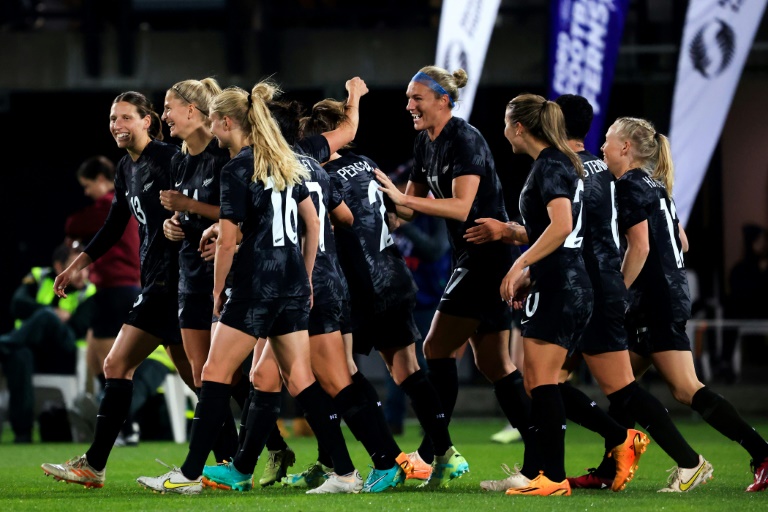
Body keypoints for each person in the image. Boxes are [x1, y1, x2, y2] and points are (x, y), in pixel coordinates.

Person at [134, 80, 343, 496]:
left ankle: (190, 475)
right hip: (290, 286)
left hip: (253, 288)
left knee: (213, 373)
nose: (210, 128)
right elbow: (314, 223)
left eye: (213, 120)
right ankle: (346, 471)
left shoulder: (236, 168)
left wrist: (216, 293)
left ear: (227, 122)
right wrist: (303, 276)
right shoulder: (284, 160)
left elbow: (228, 242)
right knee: (301, 380)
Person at [300, 96, 470, 489]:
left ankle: (386, 461)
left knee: (340, 372)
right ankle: (444, 452)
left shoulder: (324, 176)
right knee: (408, 370)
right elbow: (395, 216)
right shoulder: (371, 166)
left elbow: (328, 228)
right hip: (393, 273)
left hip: (356, 282)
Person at [374, 66, 531, 486]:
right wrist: (382, 199)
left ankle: (434, 452)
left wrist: (402, 199)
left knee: (436, 347)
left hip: (487, 256)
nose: (409, 105)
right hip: (470, 255)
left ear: (444, 100)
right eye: (408, 98)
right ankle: (539, 458)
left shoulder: (466, 139)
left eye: (417, 98)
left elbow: (461, 208)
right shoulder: (424, 144)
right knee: (495, 364)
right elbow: (409, 208)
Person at [595, 116, 768, 493]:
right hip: (663, 297)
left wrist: (617, 294)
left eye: (608, 140)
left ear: (625, 147)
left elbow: (640, 246)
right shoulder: (656, 186)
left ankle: (759, 454)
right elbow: (682, 243)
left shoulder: (627, 186)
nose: (602, 147)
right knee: (622, 388)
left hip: (655, 301)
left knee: (685, 389)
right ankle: (610, 469)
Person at [41, 90, 194, 488]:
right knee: (194, 377)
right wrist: (76, 266)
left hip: (178, 281)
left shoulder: (168, 158)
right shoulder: (127, 168)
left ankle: (94, 465)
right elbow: (112, 226)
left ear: (147, 121)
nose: (117, 125)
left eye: (126, 117)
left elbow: (199, 200)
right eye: (113, 118)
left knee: (128, 367)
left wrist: (184, 223)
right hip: (158, 281)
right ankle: (243, 455)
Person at [469, 92, 595, 497]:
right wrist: (531, 272)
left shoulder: (551, 164)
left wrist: (519, 264)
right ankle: (537, 472)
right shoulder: (555, 162)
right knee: (539, 382)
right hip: (557, 281)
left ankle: (552, 478)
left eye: (506, 122)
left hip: (563, 284)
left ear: (518, 127)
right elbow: (555, 230)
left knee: (542, 381)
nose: (503, 129)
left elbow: (562, 226)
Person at [158, 77, 248, 462]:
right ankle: (227, 463)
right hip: (190, 274)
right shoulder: (180, 159)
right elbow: (184, 210)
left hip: (225, 275)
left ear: (193, 111)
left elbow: (240, 213)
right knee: (201, 377)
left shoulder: (223, 153)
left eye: (168, 107)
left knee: (229, 375)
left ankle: (269, 444)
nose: (164, 116)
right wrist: (172, 223)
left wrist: (190, 207)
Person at [0, 243, 95, 443]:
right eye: (77, 267)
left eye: (85, 268)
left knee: (45, 317)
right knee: (20, 357)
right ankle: (23, 433)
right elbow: (17, 305)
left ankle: (4, 344)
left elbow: (79, 326)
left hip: (65, 352)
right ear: (60, 267)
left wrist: (46, 315)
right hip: (32, 350)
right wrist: (53, 312)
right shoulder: (39, 276)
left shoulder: (90, 292)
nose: (83, 274)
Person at [64, 155, 141, 396]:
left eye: (87, 186)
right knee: (94, 351)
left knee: (112, 364)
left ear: (100, 179)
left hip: (117, 289)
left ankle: (125, 422)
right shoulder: (124, 201)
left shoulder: (110, 203)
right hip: (121, 289)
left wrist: (77, 239)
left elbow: (73, 224)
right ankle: (107, 403)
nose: (86, 193)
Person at [384, 161, 451, 437]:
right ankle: (393, 422)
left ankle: (431, 421)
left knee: (424, 363)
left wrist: (404, 225)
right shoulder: (387, 214)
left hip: (427, 299)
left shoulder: (434, 213)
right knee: (396, 360)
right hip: (398, 298)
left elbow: (435, 250)